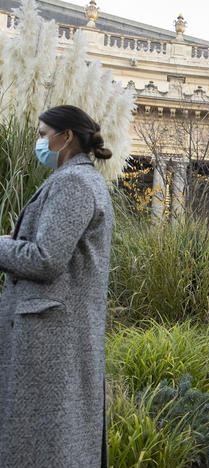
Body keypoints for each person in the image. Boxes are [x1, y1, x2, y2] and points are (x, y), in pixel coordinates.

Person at [0, 105, 114, 467]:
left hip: (51, 337)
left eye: (43, 132)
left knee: (49, 446)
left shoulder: (74, 182)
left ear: (65, 137)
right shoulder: (79, 180)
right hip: (54, 334)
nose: (39, 139)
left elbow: (46, 259)